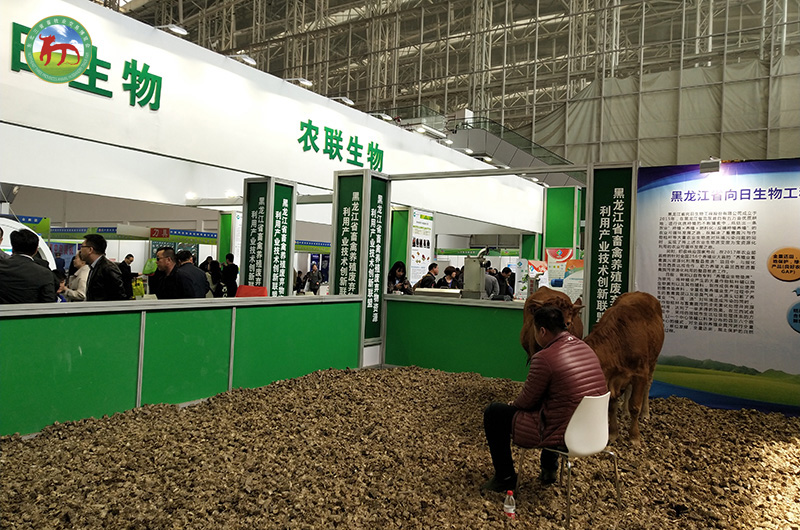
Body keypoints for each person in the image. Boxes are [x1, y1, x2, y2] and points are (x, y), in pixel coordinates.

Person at [481, 305, 608, 492]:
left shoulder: (544, 358)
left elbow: (527, 401)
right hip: (593, 430)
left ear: (542, 331)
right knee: (556, 405)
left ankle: (505, 476)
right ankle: (549, 469)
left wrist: (513, 404)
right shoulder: (584, 347)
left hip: (564, 432)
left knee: (494, 413)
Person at [0, 229, 56, 303]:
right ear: (36, 250)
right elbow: (48, 302)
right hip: (32, 310)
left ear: (13, 248)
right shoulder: (44, 273)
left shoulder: (2, 267)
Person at [80, 234, 126, 301]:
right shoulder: (94, 267)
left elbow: (119, 296)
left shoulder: (108, 268)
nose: (80, 251)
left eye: (82, 247)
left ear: (90, 250)